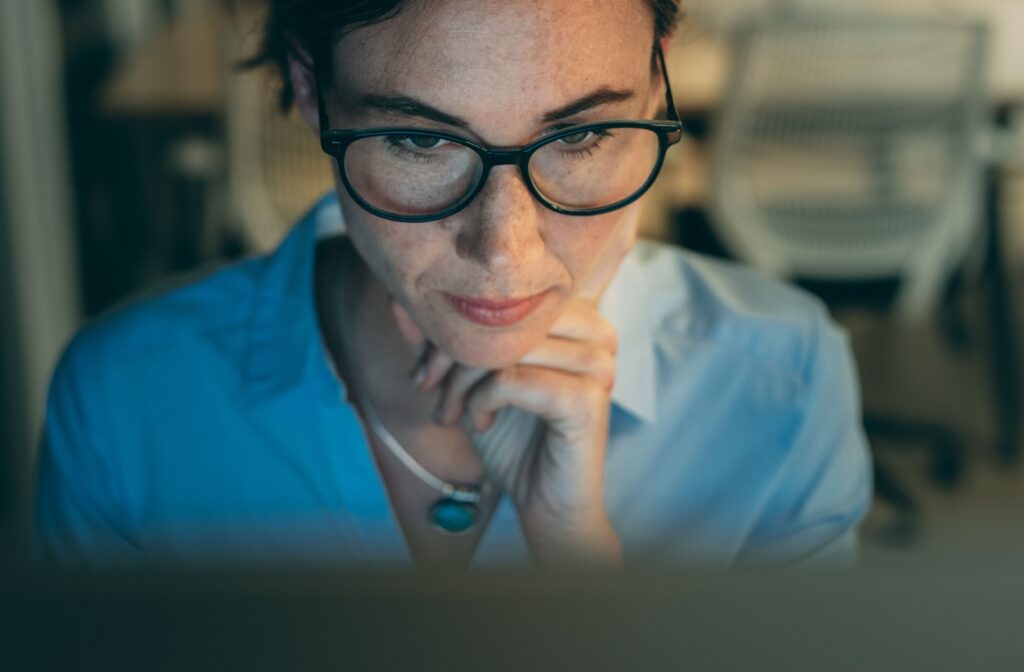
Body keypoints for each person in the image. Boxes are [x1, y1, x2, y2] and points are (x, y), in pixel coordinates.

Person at [34, 0, 871, 573]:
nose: (503, 253)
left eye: (580, 135)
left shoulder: (786, 386)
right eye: (420, 142)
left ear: (658, 82)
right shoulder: (126, 407)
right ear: (309, 92)